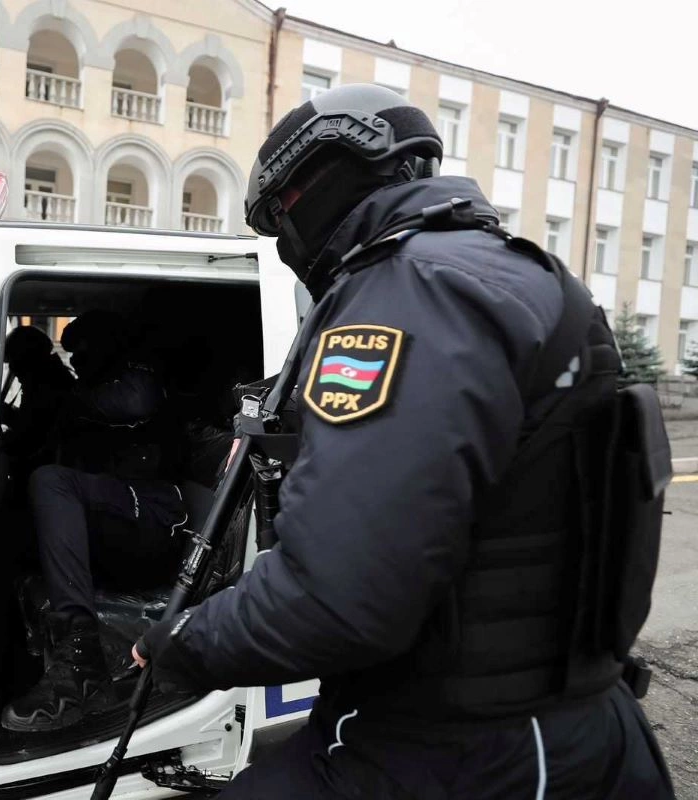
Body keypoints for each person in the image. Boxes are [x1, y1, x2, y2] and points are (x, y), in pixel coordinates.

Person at [132, 85, 675, 798]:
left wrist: (178, 642)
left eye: (281, 212)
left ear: (327, 177)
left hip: (469, 749)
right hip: (546, 724)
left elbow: (336, 597)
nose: (283, 239)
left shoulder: (410, 291)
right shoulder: (499, 271)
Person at [0, 311, 187, 733]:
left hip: (154, 519)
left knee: (49, 481)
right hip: (113, 518)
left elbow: (135, 402)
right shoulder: (79, 393)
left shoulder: (135, 378)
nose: (76, 361)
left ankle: (82, 658)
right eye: (72, 354)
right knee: (12, 524)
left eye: (82, 351)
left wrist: (65, 400)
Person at [0, 325, 75, 467]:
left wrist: (8, 418)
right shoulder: (47, 378)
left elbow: (32, 434)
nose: (13, 370)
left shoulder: (49, 385)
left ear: (27, 360)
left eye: (14, 363)